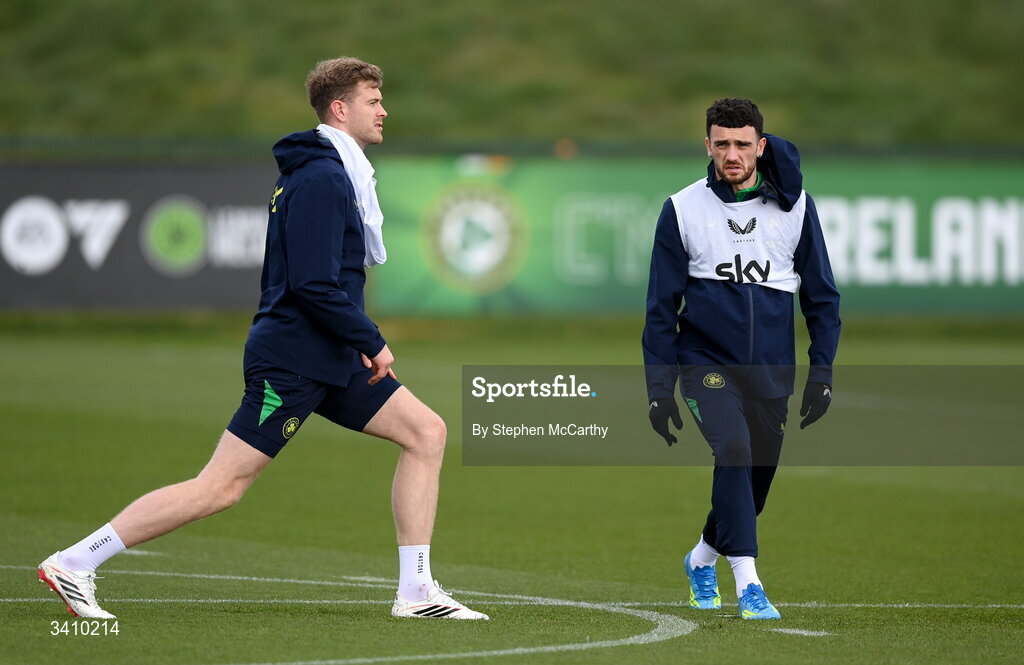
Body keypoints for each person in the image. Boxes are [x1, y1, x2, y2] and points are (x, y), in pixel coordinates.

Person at [37, 57, 488, 621]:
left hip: (330, 355)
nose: (384, 110)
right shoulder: (324, 176)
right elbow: (314, 284)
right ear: (340, 108)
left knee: (426, 433)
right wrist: (372, 340)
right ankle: (76, 562)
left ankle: (417, 592)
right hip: (295, 360)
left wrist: (356, 344)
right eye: (373, 101)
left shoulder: (333, 171)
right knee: (220, 488)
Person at [642, 98, 840, 620]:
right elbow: (660, 310)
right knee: (731, 447)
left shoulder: (796, 207)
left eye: (742, 144)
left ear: (761, 146)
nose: (732, 154)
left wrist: (822, 375)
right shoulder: (681, 209)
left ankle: (701, 558)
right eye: (721, 143)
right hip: (703, 360)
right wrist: (659, 390)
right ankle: (749, 584)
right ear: (707, 145)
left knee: (752, 489)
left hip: (773, 370)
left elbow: (822, 299)